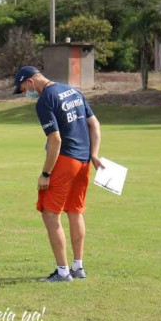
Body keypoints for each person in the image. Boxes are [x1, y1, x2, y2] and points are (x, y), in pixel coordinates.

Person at [13, 66, 103, 282]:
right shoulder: (72, 90)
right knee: (75, 211)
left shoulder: (45, 100)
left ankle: (62, 272)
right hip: (83, 162)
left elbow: (55, 139)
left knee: (50, 213)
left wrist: (45, 173)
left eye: (24, 88)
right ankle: (78, 267)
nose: (26, 93)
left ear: (31, 81)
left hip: (65, 160)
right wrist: (94, 154)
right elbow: (94, 124)